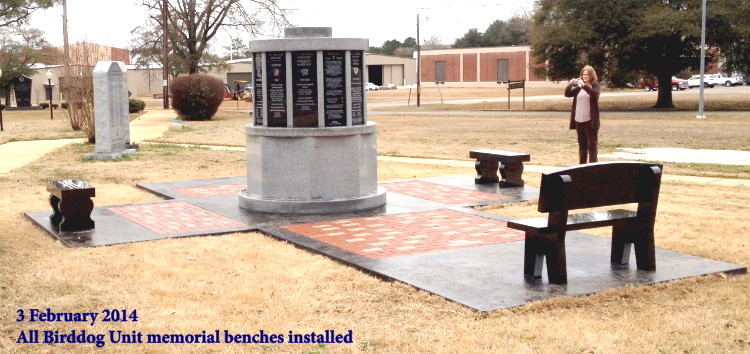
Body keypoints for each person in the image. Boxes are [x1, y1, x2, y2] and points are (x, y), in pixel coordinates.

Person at [564, 65, 601, 164]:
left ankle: (593, 167)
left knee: (592, 146)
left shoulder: (595, 86)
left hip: (590, 121)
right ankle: (582, 167)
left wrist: (584, 86)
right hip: (578, 120)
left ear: (591, 75)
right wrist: (570, 85)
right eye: (583, 74)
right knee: (582, 145)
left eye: (587, 75)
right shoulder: (579, 88)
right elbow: (567, 94)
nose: (584, 76)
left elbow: (594, 94)